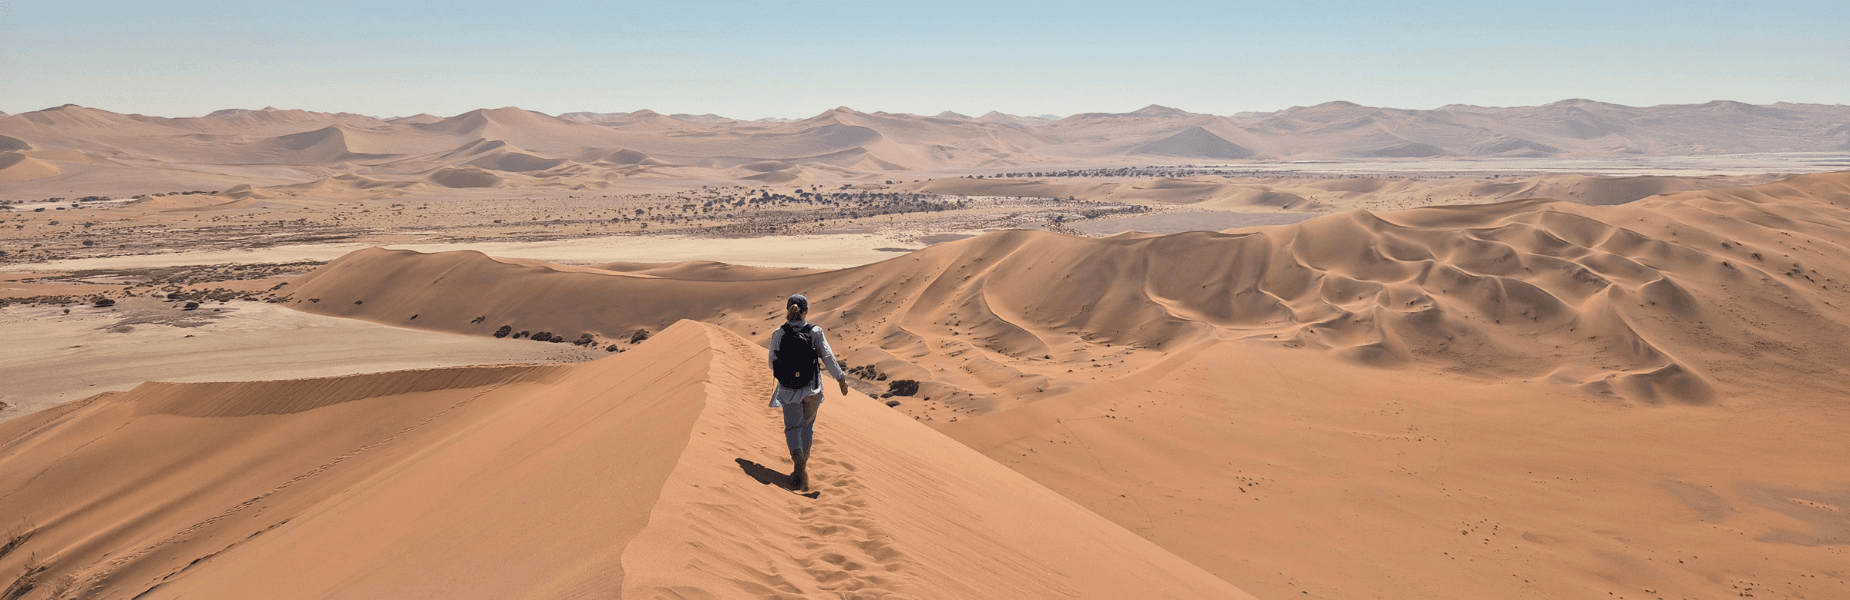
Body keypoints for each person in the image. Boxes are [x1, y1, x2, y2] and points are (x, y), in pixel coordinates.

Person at [768, 293, 849, 492]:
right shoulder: (815, 332)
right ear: (806, 311)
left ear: (788, 310)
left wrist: (789, 373)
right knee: (807, 427)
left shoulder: (779, 333)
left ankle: (798, 466)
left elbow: (772, 363)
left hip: (788, 390)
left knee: (792, 427)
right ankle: (802, 466)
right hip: (812, 389)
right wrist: (840, 378)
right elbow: (828, 357)